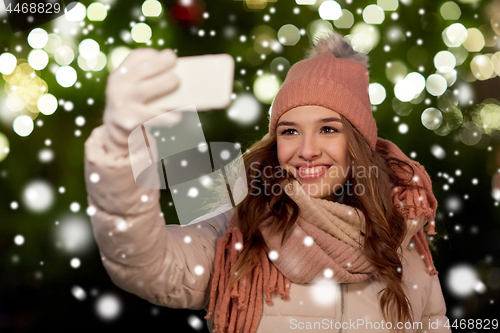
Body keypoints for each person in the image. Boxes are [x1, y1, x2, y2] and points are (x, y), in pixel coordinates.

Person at [84, 32, 451, 333]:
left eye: (328, 129)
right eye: (290, 131)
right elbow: (147, 265)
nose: (306, 150)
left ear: (359, 143)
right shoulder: (239, 226)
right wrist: (118, 148)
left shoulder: (402, 237)